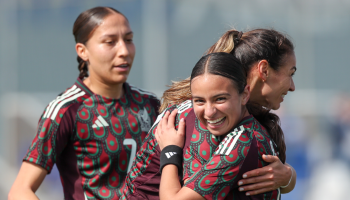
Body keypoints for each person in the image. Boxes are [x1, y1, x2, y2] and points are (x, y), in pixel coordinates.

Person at [120, 28, 296, 199]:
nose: (292, 86)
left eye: (219, 99)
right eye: (290, 73)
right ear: (264, 70)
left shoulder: (235, 120)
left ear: (244, 95)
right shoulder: (206, 121)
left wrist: (288, 177)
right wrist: (170, 151)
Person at [8, 6, 159, 200]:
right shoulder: (66, 110)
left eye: (128, 40)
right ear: (83, 51)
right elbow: (20, 191)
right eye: (110, 42)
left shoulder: (150, 105)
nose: (124, 50)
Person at [155, 52, 285, 200]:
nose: (209, 112)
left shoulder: (242, 142)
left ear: (245, 95)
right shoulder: (245, 130)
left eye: (220, 99)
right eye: (199, 101)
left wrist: (170, 150)